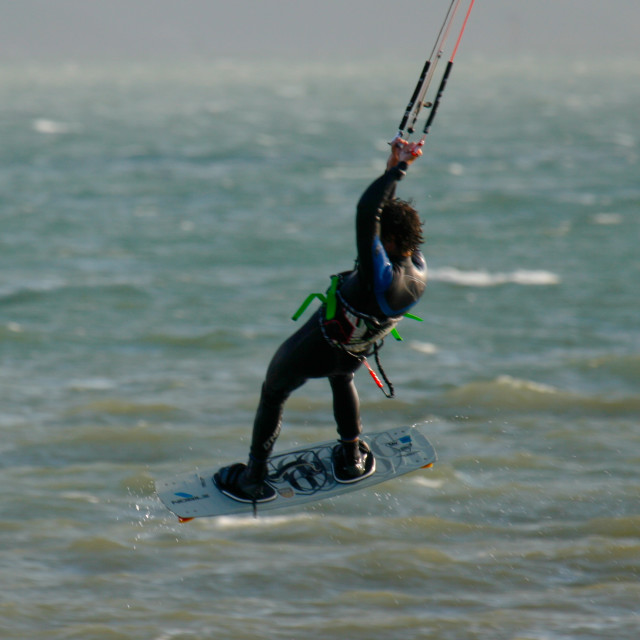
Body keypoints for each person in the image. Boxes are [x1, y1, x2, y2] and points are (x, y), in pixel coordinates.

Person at [214, 138, 427, 503]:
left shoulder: (379, 274)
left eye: (379, 237)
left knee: (274, 391)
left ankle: (254, 476)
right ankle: (351, 453)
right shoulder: (418, 272)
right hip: (355, 348)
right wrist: (392, 167)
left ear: (388, 241)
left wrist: (399, 169)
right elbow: (381, 214)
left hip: (318, 345)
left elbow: (366, 211)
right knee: (342, 377)